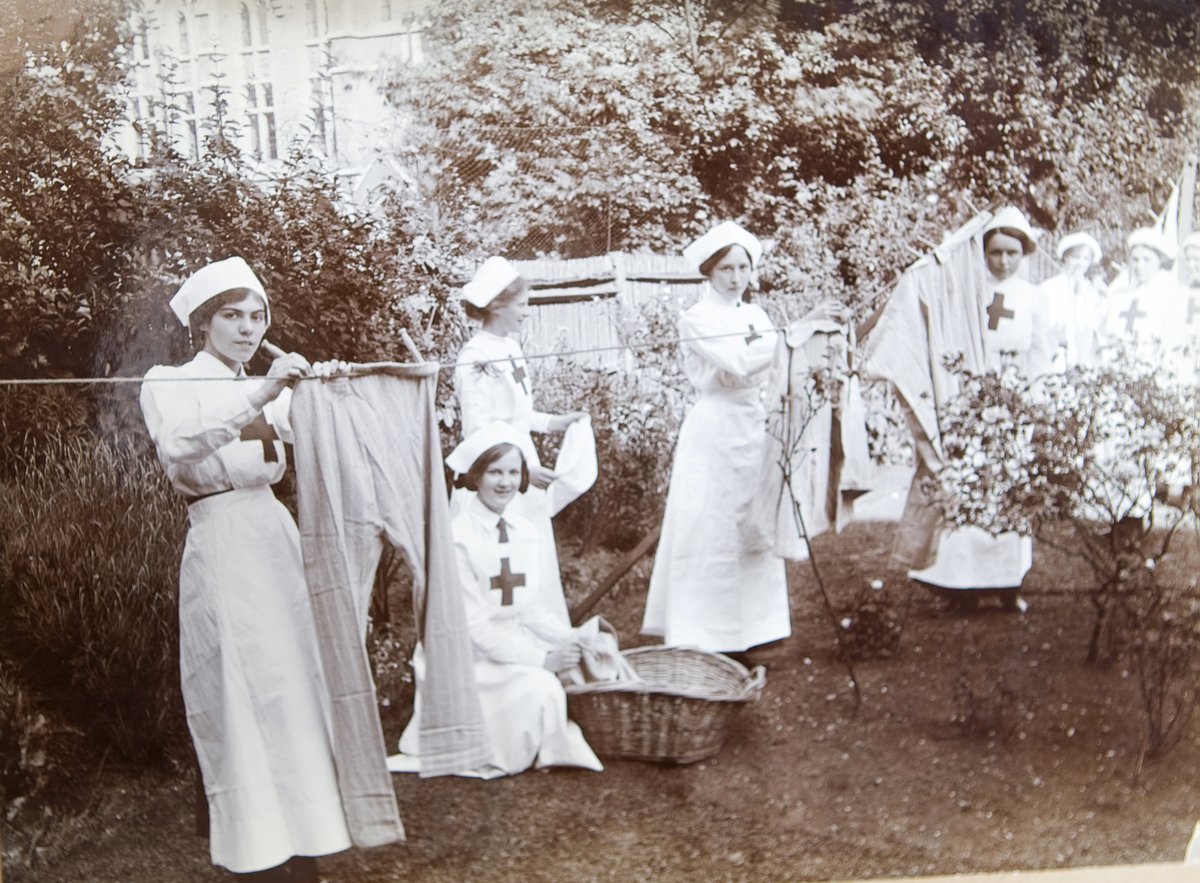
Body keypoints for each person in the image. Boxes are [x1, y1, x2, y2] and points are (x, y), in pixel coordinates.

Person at [140, 257, 350, 881]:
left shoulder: (269, 389)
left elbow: (311, 439)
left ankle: (306, 838)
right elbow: (178, 445)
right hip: (224, 539)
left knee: (292, 683)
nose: (247, 329)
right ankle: (256, 850)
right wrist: (261, 391)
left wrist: (325, 392)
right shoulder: (171, 380)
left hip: (273, 536)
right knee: (240, 684)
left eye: (257, 316)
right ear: (205, 323)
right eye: (232, 316)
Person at [641, 220, 848, 655]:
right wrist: (798, 330)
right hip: (715, 430)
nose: (736, 278)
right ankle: (705, 629)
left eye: (743, 268)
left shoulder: (756, 315)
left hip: (755, 426)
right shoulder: (696, 317)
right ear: (709, 272)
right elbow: (737, 363)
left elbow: (777, 366)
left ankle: (756, 628)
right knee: (712, 526)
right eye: (726, 270)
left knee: (755, 521)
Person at [396, 421, 603, 777]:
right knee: (543, 686)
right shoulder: (456, 537)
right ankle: (502, 745)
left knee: (580, 671)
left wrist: (569, 638)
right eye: (495, 472)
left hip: (510, 644)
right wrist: (542, 658)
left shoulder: (526, 531)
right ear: (475, 476)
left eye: (513, 472)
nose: (505, 482)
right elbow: (474, 626)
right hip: (465, 655)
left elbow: (531, 609)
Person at [904, 207, 1051, 613]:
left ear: (1024, 255)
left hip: (1013, 400)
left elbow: (1040, 355)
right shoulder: (967, 294)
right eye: (995, 253)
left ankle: (1007, 583)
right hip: (970, 401)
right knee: (967, 484)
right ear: (983, 254)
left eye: (1011, 253)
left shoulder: (1034, 298)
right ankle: (959, 585)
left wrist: (1033, 404)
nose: (1003, 261)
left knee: (1008, 489)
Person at [454, 256, 587, 624]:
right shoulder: (475, 357)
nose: (527, 312)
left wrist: (556, 423)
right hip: (496, 474)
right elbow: (480, 430)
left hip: (519, 465)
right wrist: (523, 470)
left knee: (531, 554)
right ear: (498, 305)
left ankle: (543, 637)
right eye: (522, 304)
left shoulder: (511, 347)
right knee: (500, 560)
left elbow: (519, 416)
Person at [1039, 231, 1106, 369]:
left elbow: (1093, 324)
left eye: (1085, 259)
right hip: (1056, 354)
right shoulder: (1050, 286)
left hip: (1083, 354)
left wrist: (1081, 295)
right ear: (1065, 257)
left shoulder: (1093, 291)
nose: (1080, 263)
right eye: (1075, 257)